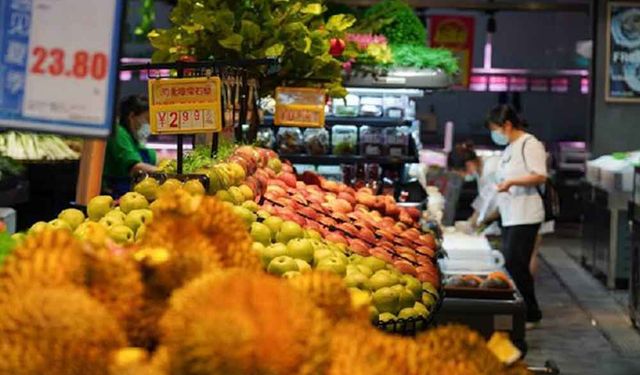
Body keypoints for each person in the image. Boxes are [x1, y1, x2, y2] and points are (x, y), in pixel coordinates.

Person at [486, 104, 546, 327]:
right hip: (510, 214)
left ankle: (531, 313)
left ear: (507, 125)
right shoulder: (510, 147)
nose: (495, 134)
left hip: (526, 214)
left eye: (495, 129)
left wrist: (512, 182)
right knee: (512, 263)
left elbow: (540, 175)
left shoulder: (530, 144)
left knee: (516, 263)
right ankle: (522, 311)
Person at [103, 95, 157, 197]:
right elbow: (134, 167)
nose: (149, 124)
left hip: (133, 194)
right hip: (118, 193)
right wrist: (166, 172)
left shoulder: (134, 138)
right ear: (132, 116)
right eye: (147, 119)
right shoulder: (119, 133)